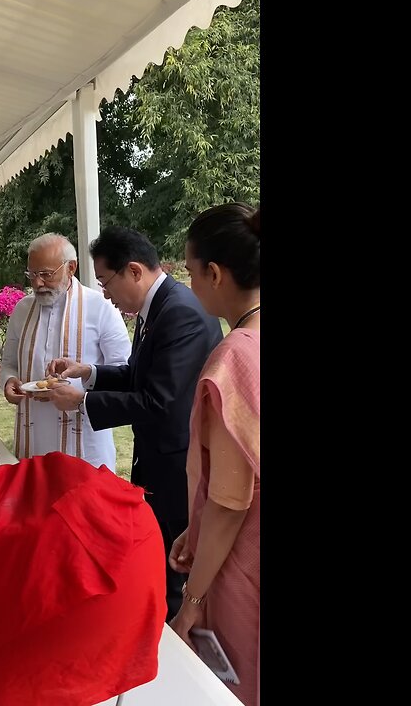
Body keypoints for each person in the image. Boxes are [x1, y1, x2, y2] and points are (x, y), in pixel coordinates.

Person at [45, 226, 223, 620]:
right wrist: (89, 372)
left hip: (178, 463)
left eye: (106, 281)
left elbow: (159, 400)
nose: (105, 293)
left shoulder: (179, 313)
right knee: (158, 555)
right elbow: (140, 374)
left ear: (135, 271)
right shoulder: (156, 307)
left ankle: (178, 642)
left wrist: (83, 402)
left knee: (175, 561)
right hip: (159, 456)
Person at [166, 203, 261, 706]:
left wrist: (193, 602)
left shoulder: (234, 358)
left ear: (215, 273)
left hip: (243, 564)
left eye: (189, 268)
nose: (188, 281)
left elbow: (230, 502)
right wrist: (195, 528)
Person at [0, 233, 131, 469]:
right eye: (32, 275)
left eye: (46, 274)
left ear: (71, 268)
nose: (38, 283)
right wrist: (8, 381)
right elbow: (9, 362)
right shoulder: (22, 309)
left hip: (84, 441)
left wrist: (80, 396)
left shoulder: (100, 308)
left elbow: (123, 373)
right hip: (33, 435)